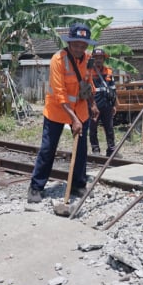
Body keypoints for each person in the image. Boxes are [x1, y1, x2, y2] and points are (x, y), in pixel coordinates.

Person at [27, 23, 100, 203]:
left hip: (80, 109)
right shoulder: (58, 60)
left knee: (81, 149)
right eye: (76, 44)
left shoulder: (88, 60)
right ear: (69, 42)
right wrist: (73, 119)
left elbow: (88, 84)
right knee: (48, 148)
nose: (79, 48)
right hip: (57, 110)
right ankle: (36, 187)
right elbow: (59, 93)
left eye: (83, 45)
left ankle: (78, 184)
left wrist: (93, 104)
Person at [89, 48, 119, 157]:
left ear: (103, 59)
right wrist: (91, 105)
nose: (98, 60)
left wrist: (114, 104)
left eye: (100, 58)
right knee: (93, 128)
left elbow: (113, 89)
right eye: (96, 58)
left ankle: (111, 150)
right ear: (93, 58)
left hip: (107, 104)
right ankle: (95, 149)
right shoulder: (88, 71)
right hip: (94, 104)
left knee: (109, 128)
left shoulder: (108, 71)